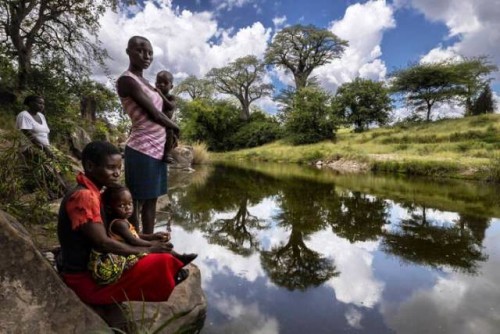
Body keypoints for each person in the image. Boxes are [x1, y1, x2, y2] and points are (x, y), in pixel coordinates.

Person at [57, 140, 188, 305]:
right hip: (86, 280)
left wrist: (148, 239)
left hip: (90, 269)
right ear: (90, 166)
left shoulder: (93, 192)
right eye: (111, 168)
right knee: (163, 261)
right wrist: (148, 250)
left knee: (155, 252)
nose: (117, 173)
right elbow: (103, 243)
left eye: (119, 167)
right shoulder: (85, 196)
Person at [117, 35, 180, 234]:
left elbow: (167, 107)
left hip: (158, 150)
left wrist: (169, 137)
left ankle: (149, 241)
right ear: (128, 52)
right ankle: (136, 242)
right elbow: (154, 114)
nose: (146, 56)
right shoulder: (127, 80)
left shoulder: (149, 84)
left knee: (152, 199)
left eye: (150, 52)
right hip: (142, 148)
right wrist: (176, 128)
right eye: (140, 50)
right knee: (135, 200)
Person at [87, 184, 197, 284]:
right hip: (125, 255)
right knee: (159, 251)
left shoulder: (122, 220)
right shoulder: (118, 224)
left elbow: (135, 235)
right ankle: (175, 271)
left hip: (130, 249)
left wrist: (152, 236)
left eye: (130, 204)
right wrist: (152, 245)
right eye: (122, 205)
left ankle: (179, 261)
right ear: (110, 209)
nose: (128, 208)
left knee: (159, 245)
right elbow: (133, 240)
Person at [155, 70, 178, 164]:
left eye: (165, 83)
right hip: (156, 120)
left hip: (166, 123)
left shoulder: (171, 97)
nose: (162, 85)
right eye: (159, 82)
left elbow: (171, 106)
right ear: (155, 84)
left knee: (170, 131)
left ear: (171, 86)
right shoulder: (153, 95)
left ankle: (167, 154)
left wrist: (160, 94)